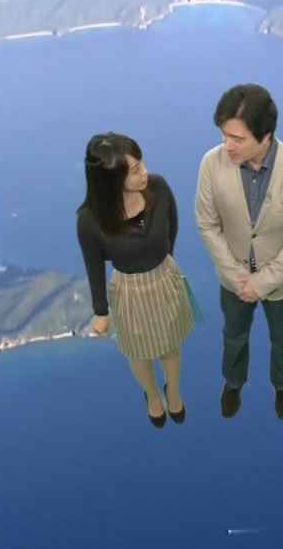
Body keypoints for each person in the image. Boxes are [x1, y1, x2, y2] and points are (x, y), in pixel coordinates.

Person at [195, 83, 283, 419]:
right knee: (233, 335)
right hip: (233, 278)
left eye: (237, 139)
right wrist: (237, 275)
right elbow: (207, 224)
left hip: (282, 281)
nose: (227, 145)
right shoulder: (211, 164)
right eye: (224, 135)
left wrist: (261, 283)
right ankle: (233, 382)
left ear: (266, 136)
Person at [77, 133, 196, 428]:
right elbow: (93, 265)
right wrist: (101, 311)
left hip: (165, 276)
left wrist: (166, 262)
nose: (145, 172)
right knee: (139, 351)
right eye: (135, 170)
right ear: (112, 181)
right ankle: (152, 394)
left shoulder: (159, 188)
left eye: (141, 164)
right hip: (129, 289)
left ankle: (173, 390)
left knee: (171, 344)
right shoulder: (90, 220)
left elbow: (172, 226)